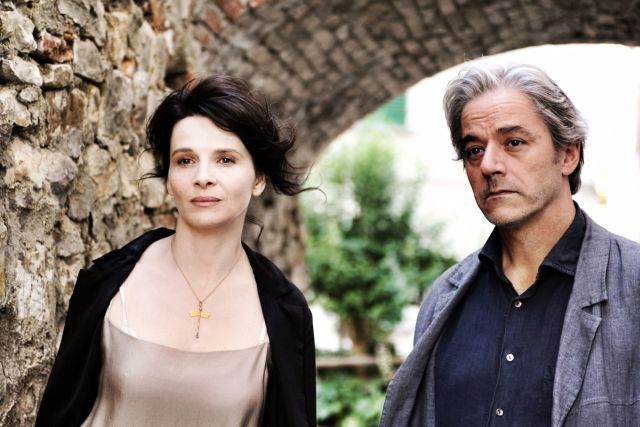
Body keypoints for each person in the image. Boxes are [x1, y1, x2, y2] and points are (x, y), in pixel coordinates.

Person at [36, 76, 316, 427]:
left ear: (258, 178)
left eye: (225, 159)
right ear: (168, 178)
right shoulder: (106, 284)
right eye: (185, 160)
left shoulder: (286, 314)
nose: (203, 176)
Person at [380, 63, 640, 426]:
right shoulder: (442, 301)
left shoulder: (633, 282)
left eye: (513, 142)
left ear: (568, 154)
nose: (488, 165)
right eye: (474, 150)